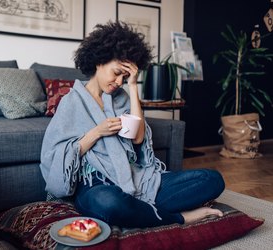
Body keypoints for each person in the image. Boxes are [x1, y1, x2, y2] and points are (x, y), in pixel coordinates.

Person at [40, 21, 225, 228]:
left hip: (138, 179)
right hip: (95, 184)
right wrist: (97, 132)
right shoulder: (71, 101)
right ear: (99, 62)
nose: (119, 81)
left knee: (212, 179)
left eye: (125, 76)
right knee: (109, 204)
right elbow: (55, 154)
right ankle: (179, 217)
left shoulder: (121, 98)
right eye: (117, 73)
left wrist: (133, 85)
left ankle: (139, 209)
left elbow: (137, 138)